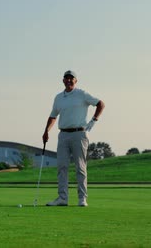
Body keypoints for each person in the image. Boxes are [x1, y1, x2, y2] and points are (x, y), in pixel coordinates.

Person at [42, 70, 105, 207]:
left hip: (79, 134)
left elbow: (101, 104)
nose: (69, 81)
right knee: (62, 166)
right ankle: (62, 198)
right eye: (67, 78)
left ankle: (82, 199)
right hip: (63, 134)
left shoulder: (82, 94)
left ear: (76, 81)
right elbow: (53, 116)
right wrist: (46, 131)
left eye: (72, 78)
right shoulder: (58, 97)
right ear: (63, 80)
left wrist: (94, 120)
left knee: (80, 167)